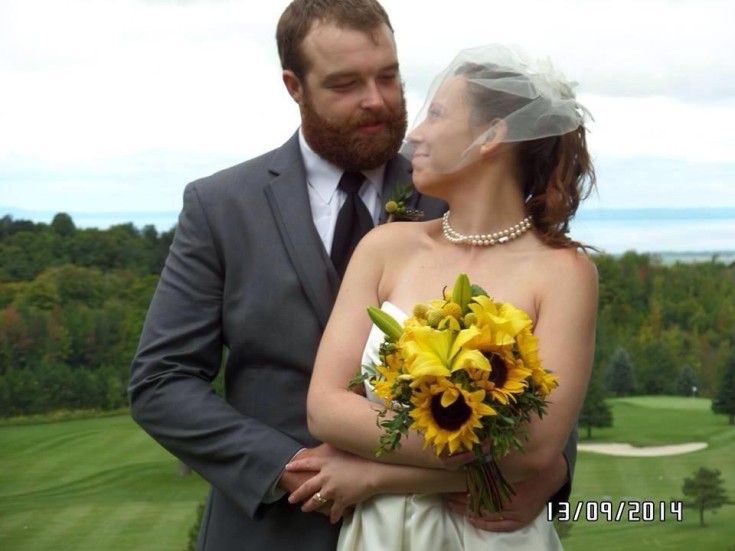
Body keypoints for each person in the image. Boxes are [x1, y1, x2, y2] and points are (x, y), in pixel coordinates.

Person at [128, 0, 575, 548]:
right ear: (296, 86)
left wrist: (551, 471)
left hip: (455, 524)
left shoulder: (463, 186)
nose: (377, 101)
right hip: (273, 529)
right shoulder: (221, 206)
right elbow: (161, 380)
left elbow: (540, 373)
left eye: (388, 76)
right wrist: (287, 468)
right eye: (345, 84)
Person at [287, 43, 598, 550]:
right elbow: (325, 410)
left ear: (491, 136)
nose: (415, 134)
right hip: (382, 535)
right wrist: (472, 458)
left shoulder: (565, 272)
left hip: (493, 534)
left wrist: (378, 476)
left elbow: (538, 450)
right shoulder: (385, 248)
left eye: (435, 114)